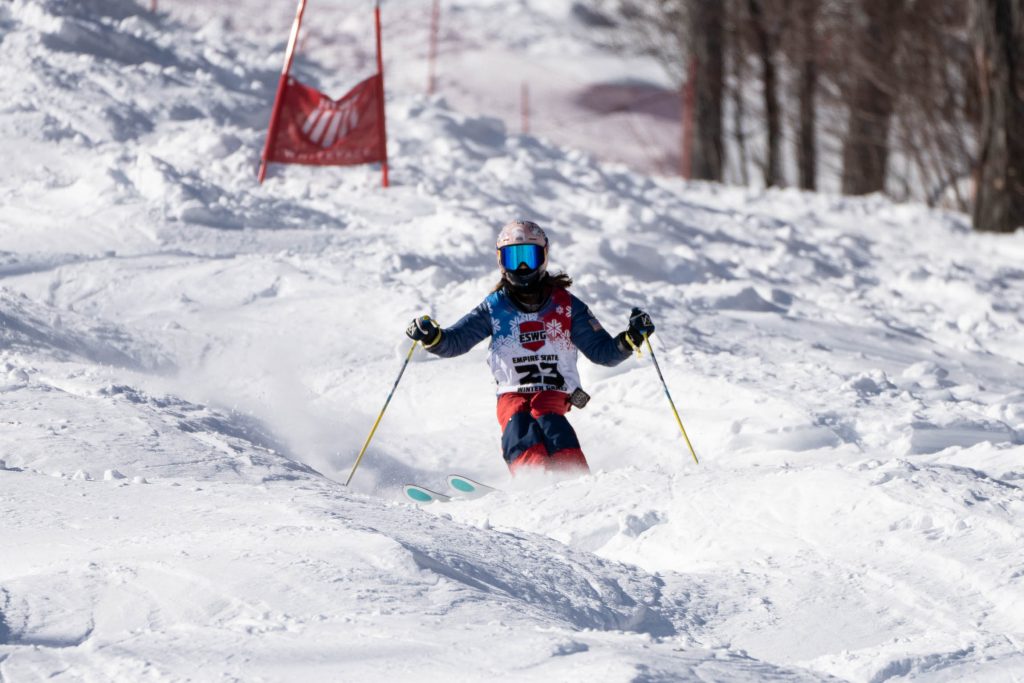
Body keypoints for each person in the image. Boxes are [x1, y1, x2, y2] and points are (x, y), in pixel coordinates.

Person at [405, 219, 656, 475]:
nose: (522, 266)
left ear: (543, 258)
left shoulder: (565, 305)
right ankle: (532, 478)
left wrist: (631, 338)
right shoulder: (494, 307)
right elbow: (457, 341)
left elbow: (603, 352)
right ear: (501, 261)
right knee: (518, 420)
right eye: (514, 258)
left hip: (555, 388)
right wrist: (433, 337)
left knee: (545, 414)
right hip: (512, 390)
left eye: (529, 257)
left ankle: (573, 474)